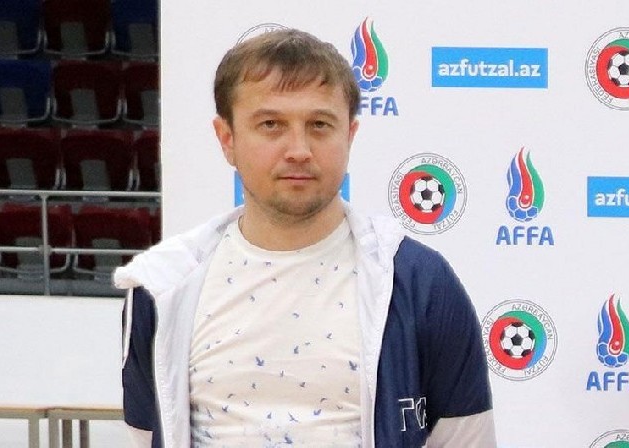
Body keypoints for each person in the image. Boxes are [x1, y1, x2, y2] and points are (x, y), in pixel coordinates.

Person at [114, 29, 496, 448]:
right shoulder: (163, 287)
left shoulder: (419, 282)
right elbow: (149, 433)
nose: (298, 149)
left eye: (319, 125)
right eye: (271, 124)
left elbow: (466, 440)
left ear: (349, 136)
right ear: (227, 139)